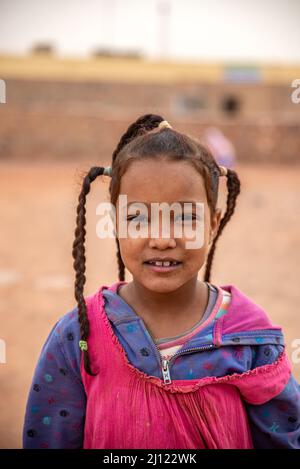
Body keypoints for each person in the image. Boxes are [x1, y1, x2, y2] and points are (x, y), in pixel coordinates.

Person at [23, 114, 300, 449]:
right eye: (138, 217)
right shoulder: (79, 337)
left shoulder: (251, 339)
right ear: (113, 223)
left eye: (185, 218)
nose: (162, 239)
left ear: (213, 223)